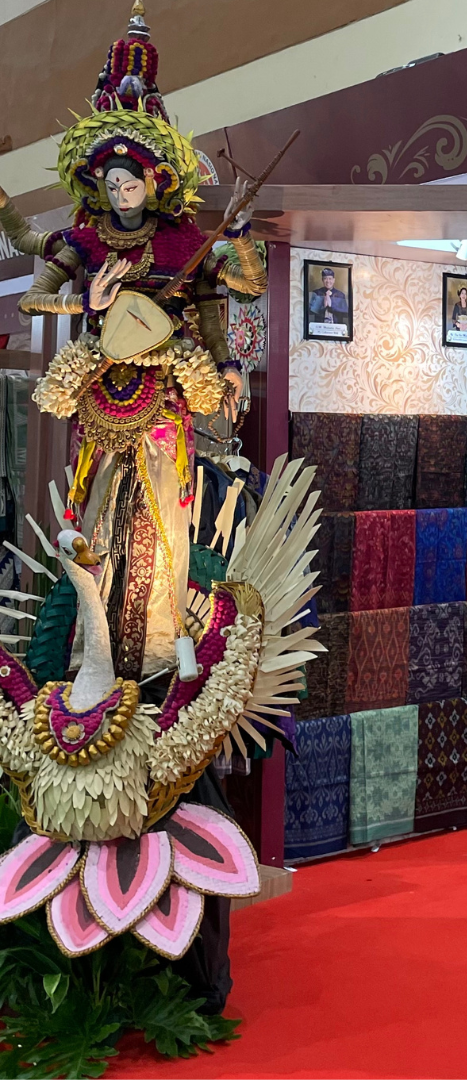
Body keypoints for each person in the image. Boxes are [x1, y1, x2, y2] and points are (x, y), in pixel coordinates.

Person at [0, 0, 267, 682]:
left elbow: (233, 293)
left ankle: (159, 645)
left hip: (165, 388)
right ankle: (89, 644)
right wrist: (82, 302)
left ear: (154, 179)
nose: (121, 191)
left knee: (164, 506)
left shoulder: (182, 240)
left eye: (130, 181)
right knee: (92, 504)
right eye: (111, 182)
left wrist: (229, 357)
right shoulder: (86, 238)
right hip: (101, 387)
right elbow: (32, 290)